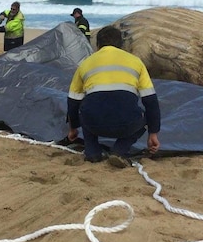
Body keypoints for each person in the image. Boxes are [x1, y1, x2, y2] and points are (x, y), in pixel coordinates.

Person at [67, 25, 160, 166]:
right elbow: (151, 101)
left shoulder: (85, 64)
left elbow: (73, 101)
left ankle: (92, 152)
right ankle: (120, 150)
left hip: (93, 124)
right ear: (121, 45)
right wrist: (153, 133)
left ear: (98, 45)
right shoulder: (136, 62)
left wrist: (73, 128)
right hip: (126, 124)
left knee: (85, 111)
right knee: (145, 118)